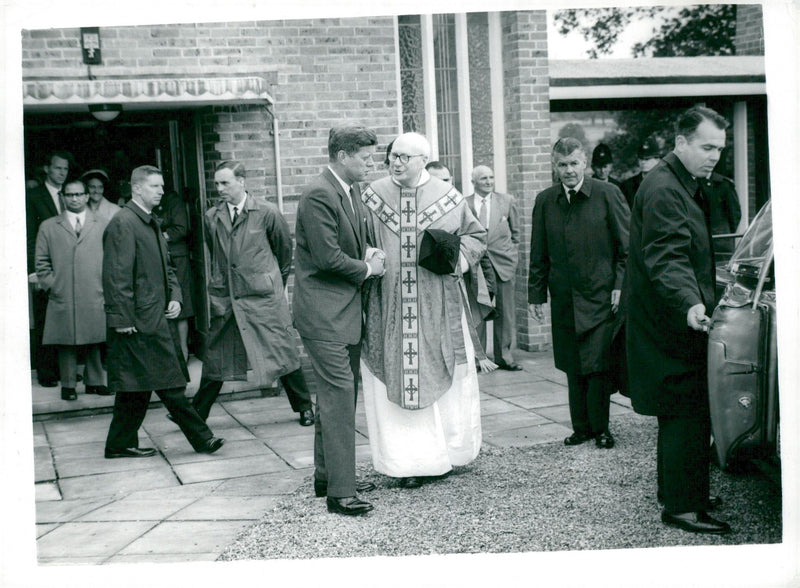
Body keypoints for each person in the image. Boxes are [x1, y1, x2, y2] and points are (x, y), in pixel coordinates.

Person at [626, 106, 731, 535]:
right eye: (707, 147)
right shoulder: (666, 188)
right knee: (685, 411)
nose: (714, 157)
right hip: (671, 324)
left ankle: (682, 493)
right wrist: (690, 302)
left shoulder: (682, 182)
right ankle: (683, 507)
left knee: (684, 412)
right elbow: (666, 256)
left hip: (671, 319)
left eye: (720, 149)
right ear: (680, 143)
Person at [360, 132, 486, 489]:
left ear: (422, 159)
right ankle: (405, 462)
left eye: (403, 157)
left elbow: (476, 237)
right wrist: (368, 257)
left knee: (440, 372)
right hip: (389, 305)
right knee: (394, 377)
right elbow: (359, 238)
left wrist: (455, 262)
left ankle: (446, 454)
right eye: (392, 157)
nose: (394, 163)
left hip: (436, 305)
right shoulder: (373, 195)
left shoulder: (448, 197)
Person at [103, 165, 223, 458]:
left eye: (161, 186)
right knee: (169, 383)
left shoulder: (149, 221)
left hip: (155, 316)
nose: (161, 191)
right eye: (155, 186)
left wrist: (176, 297)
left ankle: (119, 444)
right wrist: (121, 319)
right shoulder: (124, 223)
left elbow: (169, 268)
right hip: (137, 321)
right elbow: (116, 276)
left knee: (137, 386)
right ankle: (202, 439)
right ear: (138, 189)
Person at [294, 126, 384, 516]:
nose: (371, 164)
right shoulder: (319, 193)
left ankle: (326, 476)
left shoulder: (352, 191)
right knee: (338, 399)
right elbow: (328, 258)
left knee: (333, 398)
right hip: (324, 316)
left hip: (342, 313)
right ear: (343, 156)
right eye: (365, 157)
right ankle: (340, 493)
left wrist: (371, 254)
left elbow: (354, 240)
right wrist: (369, 268)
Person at [190, 161, 315, 427]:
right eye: (217, 184)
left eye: (225, 183)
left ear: (242, 182)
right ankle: (196, 413)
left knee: (282, 351)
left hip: (262, 298)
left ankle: (304, 407)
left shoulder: (267, 212)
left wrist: (270, 284)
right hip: (227, 298)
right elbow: (217, 254)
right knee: (217, 355)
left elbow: (284, 253)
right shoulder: (212, 217)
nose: (220, 189)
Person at [528, 137, 629, 450]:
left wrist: (619, 287)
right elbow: (538, 252)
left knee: (597, 364)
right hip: (565, 299)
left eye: (574, 163)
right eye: (562, 165)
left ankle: (601, 429)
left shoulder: (608, 193)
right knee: (573, 365)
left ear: (585, 163)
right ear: (554, 167)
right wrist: (535, 294)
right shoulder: (546, 200)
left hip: (601, 298)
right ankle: (581, 428)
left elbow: (626, 249)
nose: (568, 171)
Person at [35, 180, 109, 400]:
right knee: (66, 340)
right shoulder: (49, 226)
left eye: (79, 194)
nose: (74, 198)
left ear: (87, 196)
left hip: (94, 290)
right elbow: (41, 261)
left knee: (94, 338)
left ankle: (95, 381)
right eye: (69, 195)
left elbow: (111, 258)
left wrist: (104, 286)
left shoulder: (102, 223)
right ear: (62, 197)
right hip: (63, 292)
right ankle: (68, 385)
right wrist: (53, 285)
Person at [428, 161, 497, 374]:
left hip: (459, 283)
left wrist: (488, 282)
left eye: (447, 180)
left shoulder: (458, 205)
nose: (444, 185)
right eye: (437, 180)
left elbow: (477, 242)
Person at [467, 165, 522, 371]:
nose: (489, 181)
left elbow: (516, 233)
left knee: (506, 312)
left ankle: (504, 356)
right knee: (477, 310)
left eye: (491, 177)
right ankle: (478, 358)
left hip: (503, 263)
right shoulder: (466, 204)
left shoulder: (506, 201)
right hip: (476, 265)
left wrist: (513, 256)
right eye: (483, 178)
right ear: (474, 182)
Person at [26, 150, 73, 387]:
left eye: (65, 169)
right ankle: (46, 371)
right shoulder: (33, 196)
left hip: (69, 269)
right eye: (57, 168)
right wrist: (34, 271)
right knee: (46, 319)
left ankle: (67, 371)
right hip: (45, 270)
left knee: (67, 320)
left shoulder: (71, 195)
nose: (62, 173)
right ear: (47, 168)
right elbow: (30, 236)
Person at [155, 189, 194, 361]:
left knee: (181, 303)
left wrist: (158, 236)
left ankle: (183, 352)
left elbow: (181, 228)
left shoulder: (173, 201)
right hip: (155, 257)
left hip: (177, 259)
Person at [702, 170, 742, 256]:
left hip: (720, 243)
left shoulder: (724, 184)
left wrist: (724, 233)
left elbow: (734, 214)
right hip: (699, 243)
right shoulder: (692, 183)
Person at [620, 140, 661, 208]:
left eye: (647, 159)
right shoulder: (627, 186)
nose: (643, 162)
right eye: (641, 159)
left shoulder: (668, 185)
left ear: (657, 160)